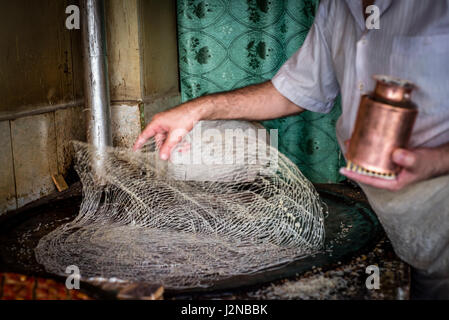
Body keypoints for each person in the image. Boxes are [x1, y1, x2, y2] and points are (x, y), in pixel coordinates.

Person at [133, 0, 449, 299]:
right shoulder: (338, 6)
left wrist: (435, 161)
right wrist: (196, 111)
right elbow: (293, 92)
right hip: (396, 223)